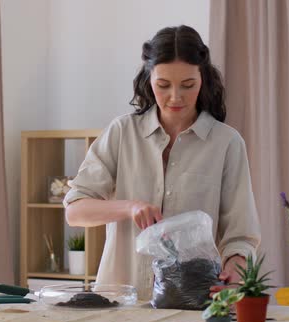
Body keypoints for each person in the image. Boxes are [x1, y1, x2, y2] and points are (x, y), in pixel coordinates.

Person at [63, 25, 261, 301]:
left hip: (194, 305)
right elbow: (75, 211)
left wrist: (234, 271)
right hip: (119, 305)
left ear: (202, 78)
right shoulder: (122, 133)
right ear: (149, 79)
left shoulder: (227, 143)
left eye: (188, 85)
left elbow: (241, 237)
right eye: (163, 85)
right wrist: (129, 207)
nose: (175, 97)